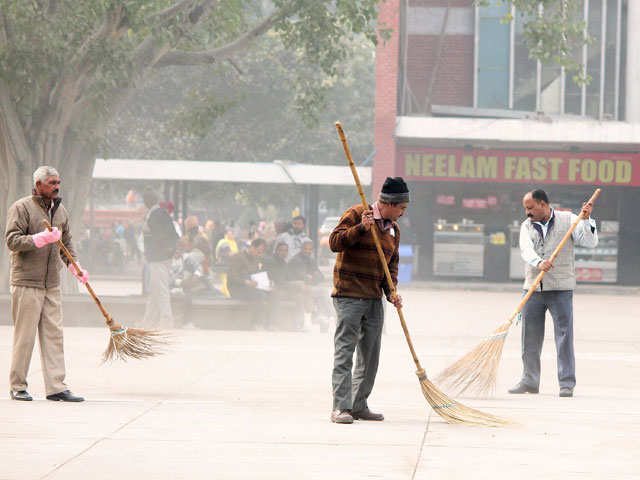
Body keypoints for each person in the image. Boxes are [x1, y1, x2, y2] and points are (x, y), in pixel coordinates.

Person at [329, 177, 408, 424]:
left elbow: (391, 266)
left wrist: (391, 291)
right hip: (349, 295)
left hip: (374, 298)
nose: (403, 214)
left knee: (370, 355)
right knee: (345, 352)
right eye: (401, 208)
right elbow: (334, 242)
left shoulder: (393, 230)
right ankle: (340, 407)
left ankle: (358, 404)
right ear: (389, 204)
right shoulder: (356, 213)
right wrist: (361, 229)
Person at [5, 166, 87, 402]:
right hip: (26, 281)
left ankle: (56, 386)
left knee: (54, 335)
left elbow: (67, 242)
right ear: (38, 184)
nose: (56, 186)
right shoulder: (21, 208)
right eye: (51, 182)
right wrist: (38, 239)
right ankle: (18, 386)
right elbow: (12, 240)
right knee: (25, 337)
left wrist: (75, 266)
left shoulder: (60, 211)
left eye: (58, 182)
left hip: (51, 282)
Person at [509, 189, 598, 398]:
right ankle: (529, 380)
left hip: (561, 289)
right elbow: (525, 250)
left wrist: (586, 220)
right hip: (533, 288)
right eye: (526, 208)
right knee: (529, 337)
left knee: (564, 336)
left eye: (530, 208)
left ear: (542, 204)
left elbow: (590, 241)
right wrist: (538, 262)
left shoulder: (570, 219)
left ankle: (566, 383)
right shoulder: (526, 226)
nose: (527, 212)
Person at [142, 190, 179, 328]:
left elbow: (158, 236)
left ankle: (166, 319)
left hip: (158, 258)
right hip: (161, 257)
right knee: (154, 290)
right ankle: (148, 320)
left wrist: (156, 251)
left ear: (147, 202)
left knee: (161, 289)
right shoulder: (161, 213)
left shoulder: (155, 215)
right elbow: (173, 235)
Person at [227, 238, 271, 329]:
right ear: (252, 247)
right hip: (237, 288)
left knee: (272, 293)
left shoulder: (256, 259)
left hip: (252, 287)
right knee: (259, 295)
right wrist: (246, 282)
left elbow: (256, 275)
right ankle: (256, 323)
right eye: (258, 251)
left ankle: (272, 323)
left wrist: (265, 283)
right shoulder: (238, 257)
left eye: (261, 252)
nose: (259, 254)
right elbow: (232, 276)